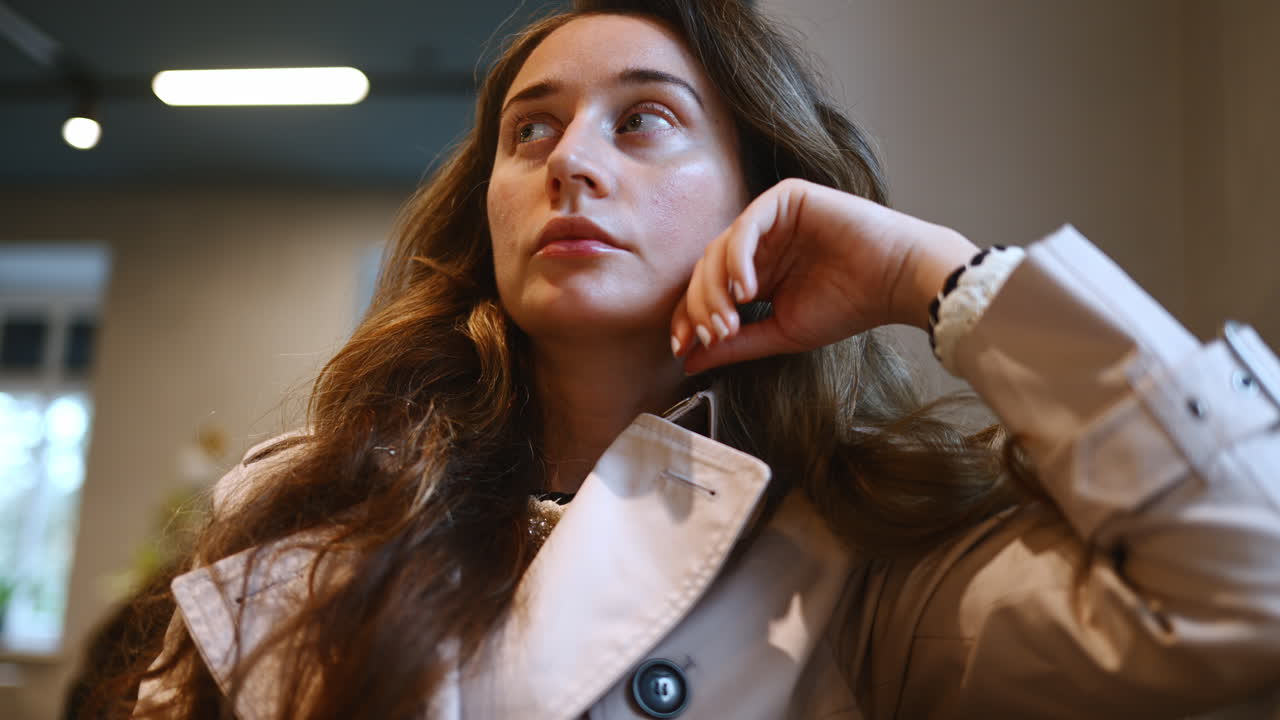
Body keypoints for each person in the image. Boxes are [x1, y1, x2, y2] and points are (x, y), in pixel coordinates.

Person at [101, 0, 1280, 717]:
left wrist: (935, 278)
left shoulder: (865, 570)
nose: (571, 162)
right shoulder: (302, 505)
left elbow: (1250, 591)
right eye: (531, 128)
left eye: (642, 119)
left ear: (762, 196)